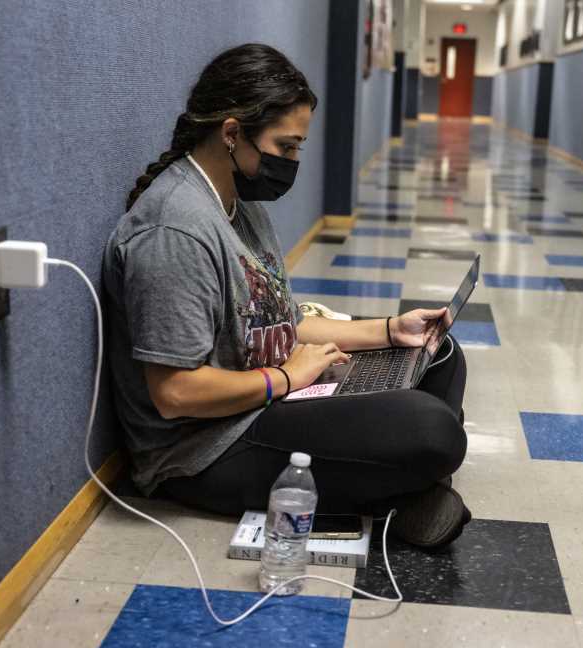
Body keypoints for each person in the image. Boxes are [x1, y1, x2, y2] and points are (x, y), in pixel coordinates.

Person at [103, 44, 470, 548]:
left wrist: (389, 329)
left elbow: (278, 319)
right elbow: (175, 394)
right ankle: (406, 484)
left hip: (272, 394)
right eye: (287, 147)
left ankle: (404, 485)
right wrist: (284, 377)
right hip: (206, 448)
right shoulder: (175, 231)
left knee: (440, 353)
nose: (293, 161)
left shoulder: (238, 199)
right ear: (232, 133)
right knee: (433, 430)